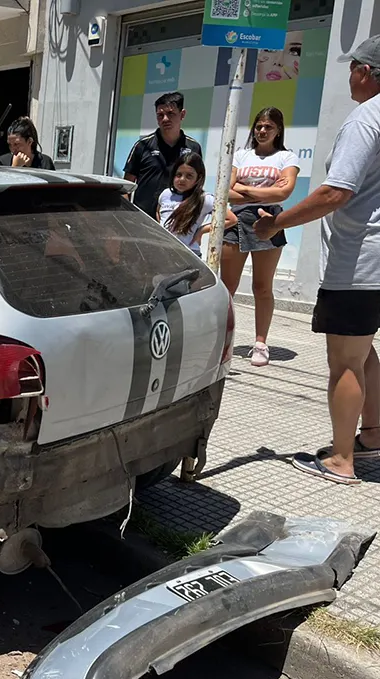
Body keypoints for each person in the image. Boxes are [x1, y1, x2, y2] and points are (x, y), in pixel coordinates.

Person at [254, 34, 380, 485]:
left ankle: (340, 459)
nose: (348, 76)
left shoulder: (367, 118)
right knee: (363, 352)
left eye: (351, 68)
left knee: (345, 360)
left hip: (358, 260)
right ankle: (372, 436)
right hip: (374, 265)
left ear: (365, 71)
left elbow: (335, 192)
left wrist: (275, 223)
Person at [221, 107, 300, 367]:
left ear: (278, 130)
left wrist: (243, 189)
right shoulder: (240, 155)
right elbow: (226, 191)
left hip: (270, 220)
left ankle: (260, 343)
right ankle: (221, 340)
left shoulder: (286, 157)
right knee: (226, 287)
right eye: (259, 126)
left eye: (268, 127)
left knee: (262, 287)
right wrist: (265, 191)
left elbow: (283, 193)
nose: (262, 131)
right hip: (236, 221)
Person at [124, 92, 203, 219]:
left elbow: (197, 185)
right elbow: (126, 186)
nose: (165, 119)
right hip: (143, 219)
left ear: (182, 114)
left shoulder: (193, 148)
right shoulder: (142, 146)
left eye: (171, 113)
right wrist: (127, 216)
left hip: (178, 222)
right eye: (160, 115)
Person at [156, 153, 236, 257]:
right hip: (163, 250)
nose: (182, 179)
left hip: (188, 253)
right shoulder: (166, 194)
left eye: (189, 176)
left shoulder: (204, 199)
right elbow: (159, 212)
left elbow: (232, 219)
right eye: (178, 174)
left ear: (198, 178)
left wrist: (201, 231)